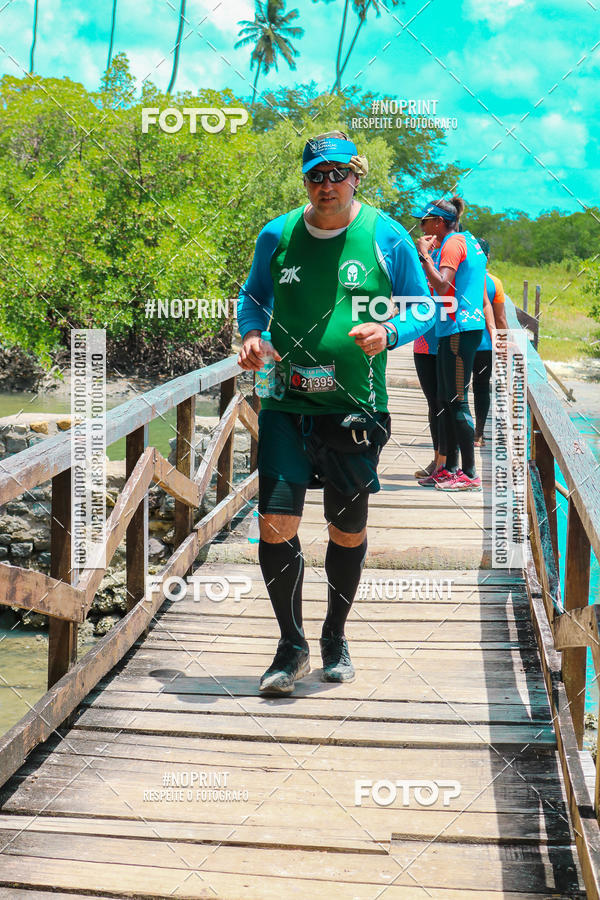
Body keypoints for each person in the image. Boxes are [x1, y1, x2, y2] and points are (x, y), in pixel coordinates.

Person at [237, 130, 430, 695]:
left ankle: (334, 636)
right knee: (275, 522)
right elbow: (254, 296)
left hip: (354, 406)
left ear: (356, 176)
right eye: (316, 176)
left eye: (337, 174)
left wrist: (391, 330)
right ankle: (290, 646)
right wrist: (251, 333)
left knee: (347, 529)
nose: (327, 185)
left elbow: (423, 305)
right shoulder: (277, 234)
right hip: (284, 399)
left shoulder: (386, 235)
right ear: (306, 182)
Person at [415, 196, 486, 491]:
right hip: (454, 328)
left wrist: (424, 256)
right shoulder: (469, 241)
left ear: (440, 222)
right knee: (445, 399)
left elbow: (443, 284)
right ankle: (450, 469)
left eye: (425, 222)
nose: (421, 227)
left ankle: (469, 473)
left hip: (459, 328)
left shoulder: (453, 243)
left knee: (456, 400)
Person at [412, 245, 447, 485]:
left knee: (447, 404)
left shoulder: (451, 259)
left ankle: (446, 462)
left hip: (447, 339)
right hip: (423, 343)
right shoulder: (418, 262)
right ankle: (437, 461)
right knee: (433, 404)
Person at [472, 239, 508, 446]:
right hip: (486, 345)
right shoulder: (495, 283)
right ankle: (478, 434)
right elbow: (500, 319)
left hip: (460, 341)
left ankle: (458, 433)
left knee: (458, 389)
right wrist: (504, 343)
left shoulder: (460, 279)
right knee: (481, 387)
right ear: (488, 257)